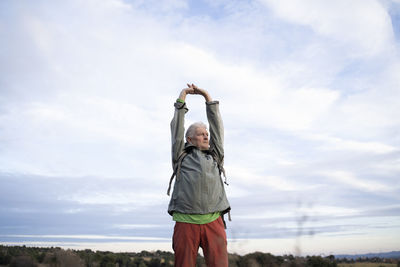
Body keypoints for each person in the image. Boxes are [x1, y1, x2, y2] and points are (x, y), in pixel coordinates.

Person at [167, 83, 231, 267]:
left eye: (206, 134)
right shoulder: (181, 155)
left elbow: (217, 128)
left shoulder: (215, 156)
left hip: (214, 221)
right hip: (185, 222)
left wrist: (207, 97)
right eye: (201, 134)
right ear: (189, 139)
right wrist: (182, 97)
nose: (206, 137)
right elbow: (176, 128)